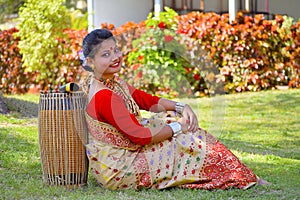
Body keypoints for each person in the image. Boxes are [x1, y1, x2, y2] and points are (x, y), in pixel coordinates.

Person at [80, 28, 269, 190]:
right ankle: (239, 177)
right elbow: (140, 136)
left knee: (170, 120)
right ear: (89, 62)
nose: (115, 57)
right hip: (121, 168)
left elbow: (146, 100)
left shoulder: (110, 82)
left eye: (116, 50)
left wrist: (181, 106)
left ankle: (237, 174)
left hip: (121, 156)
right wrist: (179, 127)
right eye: (106, 54)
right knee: (187, 141)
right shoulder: (103, 95)